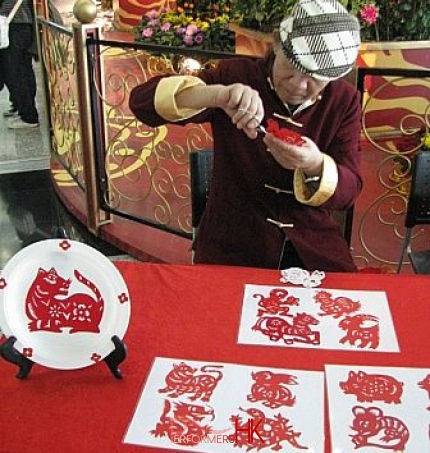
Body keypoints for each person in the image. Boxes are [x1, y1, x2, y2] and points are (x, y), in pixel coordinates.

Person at [129, 0, 363, 272]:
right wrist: (218, 95)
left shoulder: (343, 101)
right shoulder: (236, 75)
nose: (299, 84)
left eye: (316, 78)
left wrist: (314, 164)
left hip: (311, 247)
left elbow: (350, 190)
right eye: (292, 65)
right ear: (276, 43)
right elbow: (141, 103)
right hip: (233, 243)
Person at [0, 0, 39, 128]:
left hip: (15, 25)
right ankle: (24, 110)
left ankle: (29, 116)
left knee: (16, 73)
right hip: (22, 25)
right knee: (23, 70)